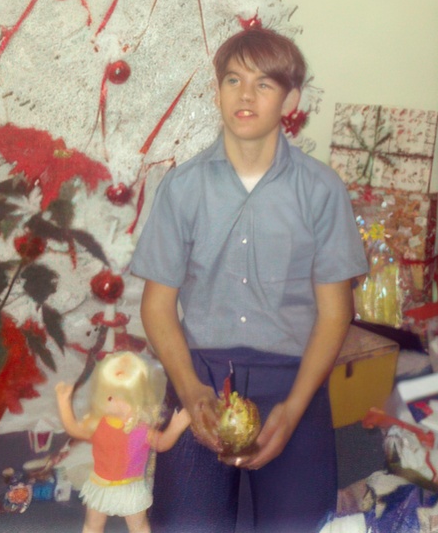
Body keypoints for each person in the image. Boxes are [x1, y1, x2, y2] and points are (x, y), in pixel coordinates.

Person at [129, 27, 368, 533]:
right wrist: (191, 392)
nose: (244, 95)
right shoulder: (183, 187)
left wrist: (294, 409)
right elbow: (156, 306)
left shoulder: (321, 191)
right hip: (204, 377)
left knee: (301, 526)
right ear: (217, 91)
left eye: (264, 84)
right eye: (233, 80)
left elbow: (334, 313)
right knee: (184, 528)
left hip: (291, 378)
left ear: (291, 99)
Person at [55, 351, 191, 533]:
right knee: (92, 525)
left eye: (125, 398)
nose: (116, 403)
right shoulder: (97, 423)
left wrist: (176, 427)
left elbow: (161, 443)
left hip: (130, 487)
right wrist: (64, 403)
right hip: (100, 484)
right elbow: (74, 429)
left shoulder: (141, 429)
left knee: (139, 527)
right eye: (110, 397)